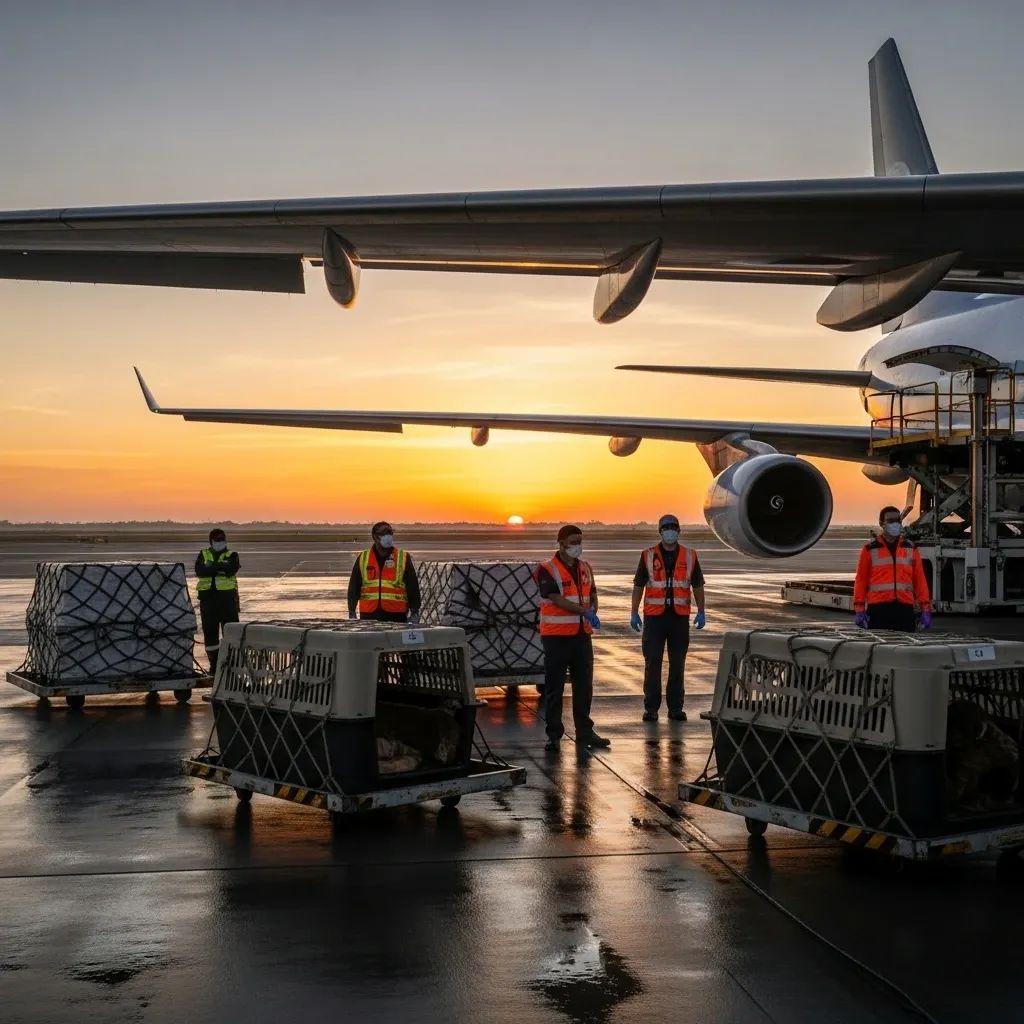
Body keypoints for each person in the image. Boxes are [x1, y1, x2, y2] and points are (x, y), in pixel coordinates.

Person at [535, 525, 610, 752]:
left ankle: (585, 732)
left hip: (581, 635)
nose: (578, 545)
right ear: (561, 543)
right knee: (554, 688)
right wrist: (583, 610)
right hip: (556, 637)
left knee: (584, 686)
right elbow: (556, 599)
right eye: (573, 541)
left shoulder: (586, 568)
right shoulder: (547, 569)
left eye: (580, 541)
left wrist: (593, 609)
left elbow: (593, 593)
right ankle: (554, 735)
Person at [630, 514, 706, 723]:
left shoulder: (690, 556)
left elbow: (697, 585)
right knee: (652, 664)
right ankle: (652, 708)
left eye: (673, 527)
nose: (670, 531)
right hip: (655, 619)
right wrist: (634, 611)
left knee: (677, 665)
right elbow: (639, 584)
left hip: (679, 619)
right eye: (666, 527)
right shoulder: (648, 555)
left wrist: (701, 610)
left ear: (679, 530)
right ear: (660, 531)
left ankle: (675, 708)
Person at [853, 506, 933, 631]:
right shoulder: (870, 549)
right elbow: (861, 581)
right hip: (878, 610)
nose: (895, 524)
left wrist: (925, 608)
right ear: (881, 524)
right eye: (890, 521)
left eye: (897, 520)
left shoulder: (911, 548)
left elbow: (920, 581)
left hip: (905, 609)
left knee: (906, 649)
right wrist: (859, 609)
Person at [347, 521, 421, 623]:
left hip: (396, 613)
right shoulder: (363, 558)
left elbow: (412, 586)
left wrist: (415, 610)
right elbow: (354, 586)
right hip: (369, 614)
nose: (388, 536)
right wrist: (352, 610)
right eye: (384, 533)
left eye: (390, 532)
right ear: (375, 537)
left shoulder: (402, 557)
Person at [195, 527, 240, 675]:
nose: (221, 542)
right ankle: (214, 665)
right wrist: (221, 568)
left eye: (223, 540)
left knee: (231, 632)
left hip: (227, 601)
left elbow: (232, 568)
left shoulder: (232, 554)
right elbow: (200, 571)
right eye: (218, 540)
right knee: (210, 634)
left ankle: (232, 664)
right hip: (208, 601)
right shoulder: (203, 554)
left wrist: (211, 568)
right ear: (211, 541)